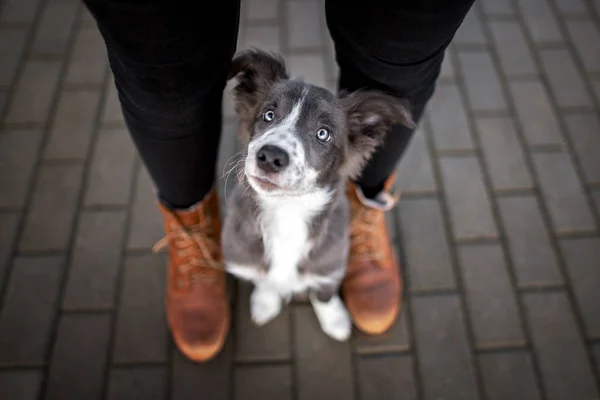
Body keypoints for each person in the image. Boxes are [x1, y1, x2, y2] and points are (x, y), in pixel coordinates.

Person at [83, 0, 475, 362]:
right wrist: (267, 289)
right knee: (163, 68)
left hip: (324, 229)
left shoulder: (354, 141)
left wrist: (326, 299)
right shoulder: (240, 235)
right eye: (270, 115)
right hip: (247, 235)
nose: (276, 148)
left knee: (401, 48)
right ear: (251, 111)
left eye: (323, 134)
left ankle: (362, 214)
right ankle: (196, 225)